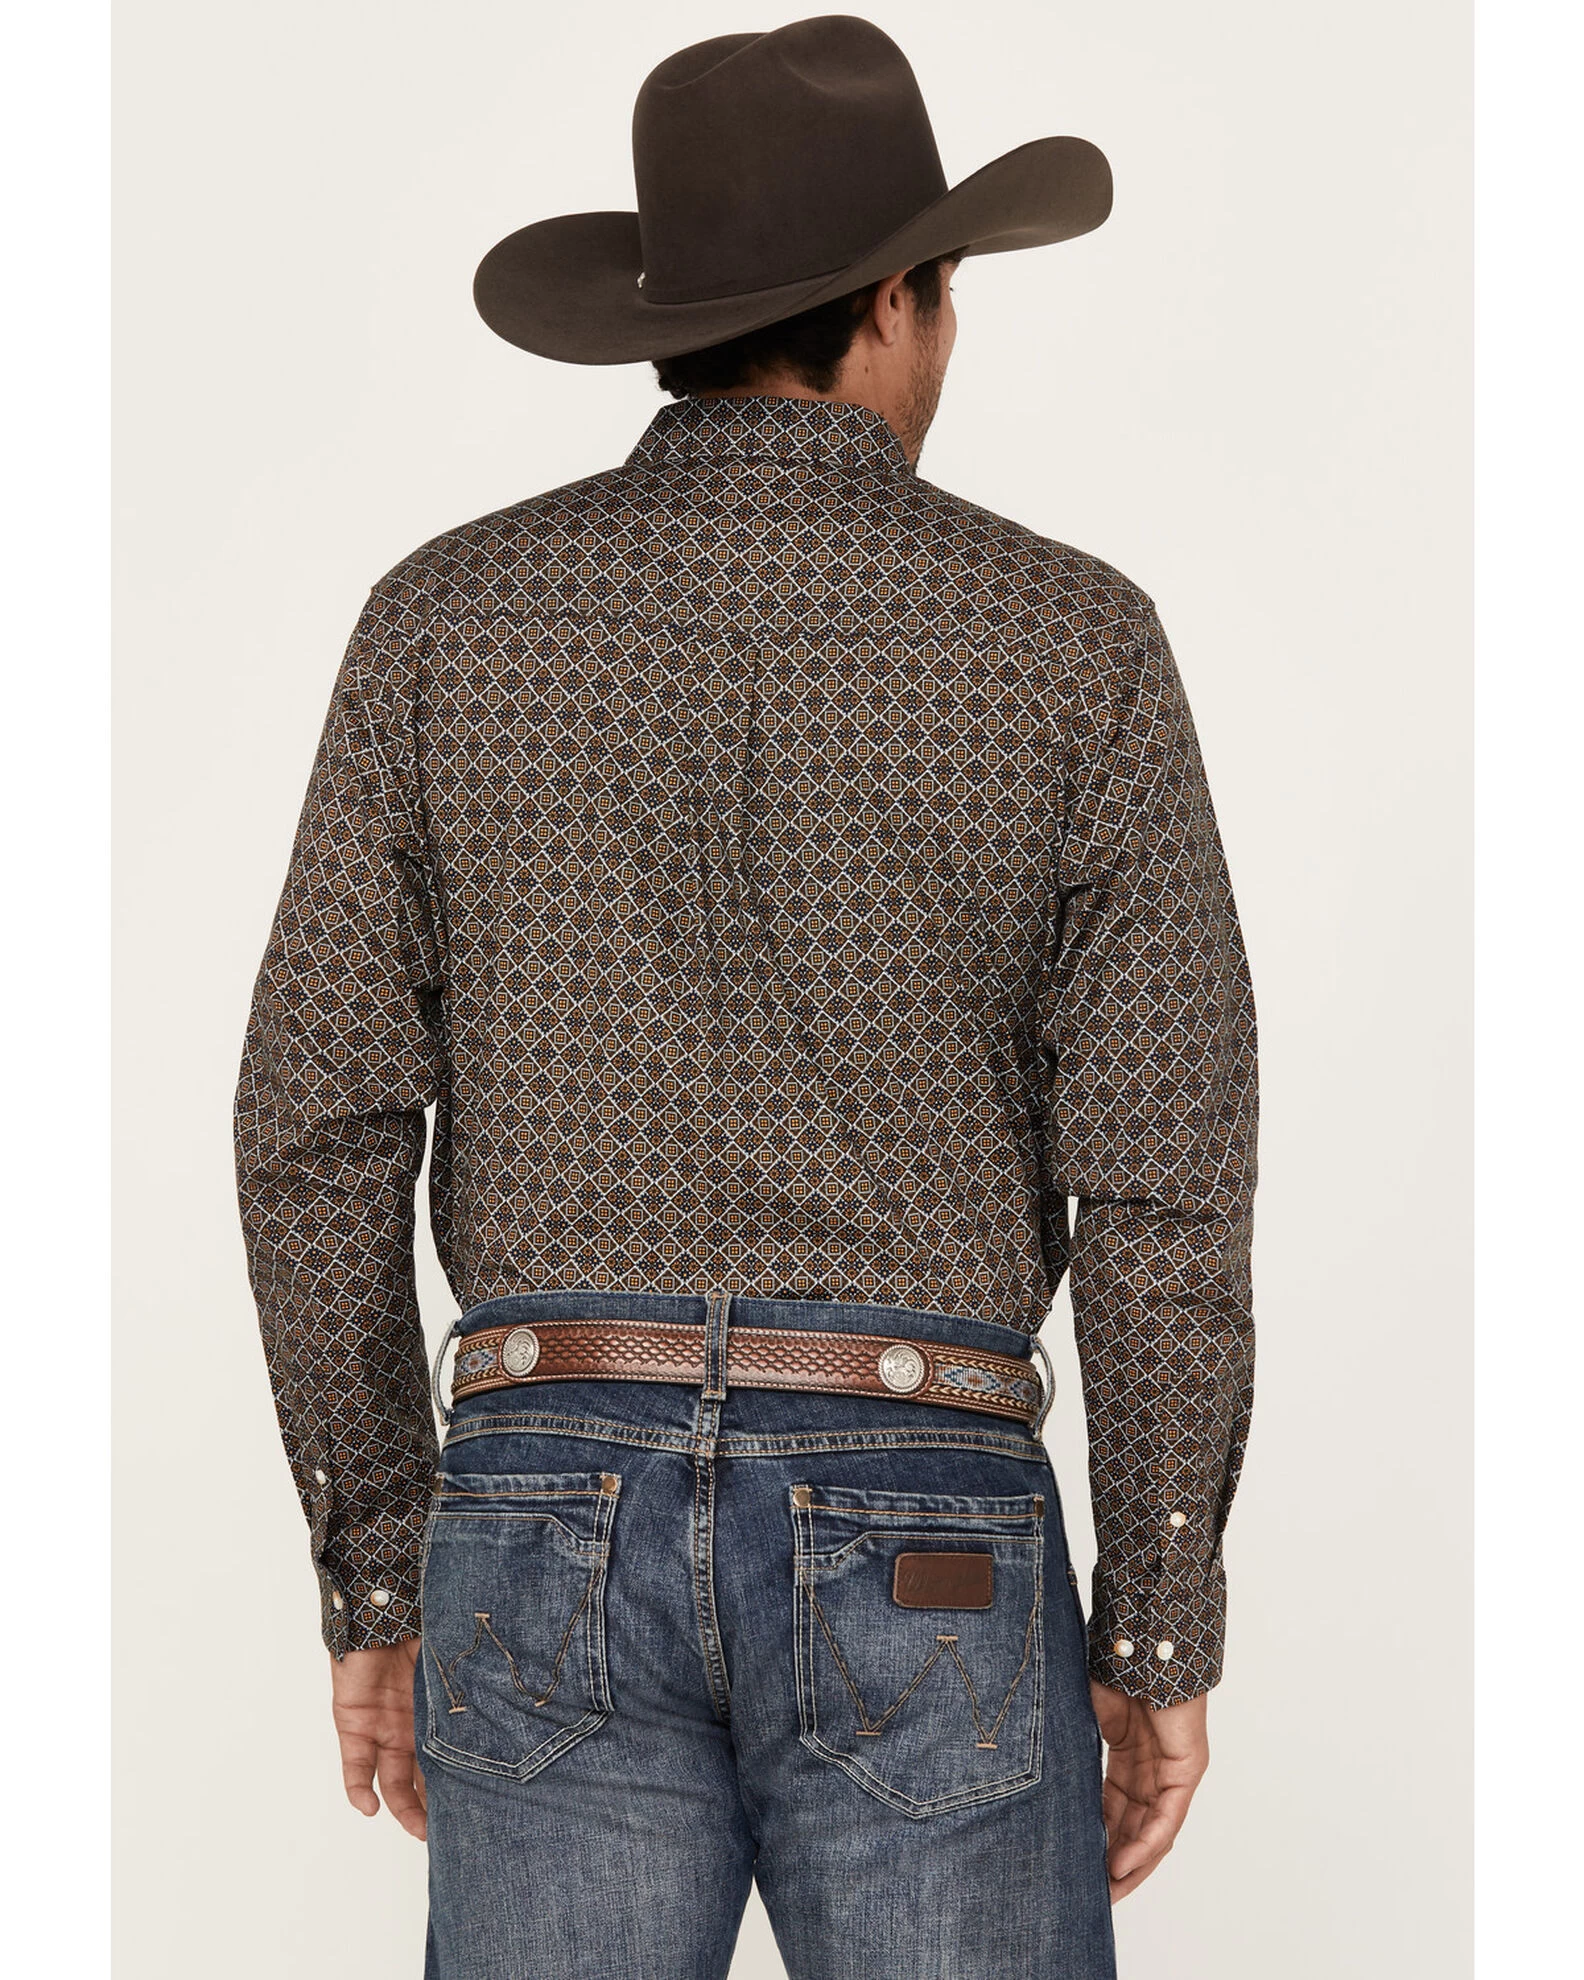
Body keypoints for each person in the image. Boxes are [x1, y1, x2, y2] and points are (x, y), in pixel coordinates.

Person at [233, 16, 1258, 1979]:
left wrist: (379, 1573)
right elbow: (1162, 1190)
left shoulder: (443, 620)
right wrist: (1154, 1632)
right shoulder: (1076, 643)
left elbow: (314, 1128)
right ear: (895, 302)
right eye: (946, 295)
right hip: (931, 1523)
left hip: (540, 1513)